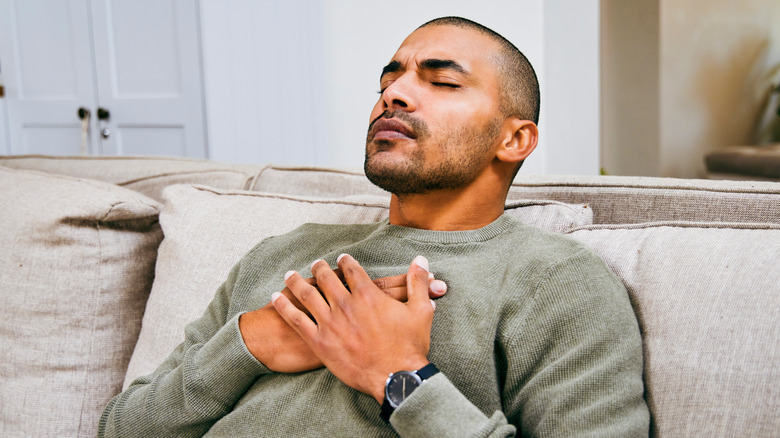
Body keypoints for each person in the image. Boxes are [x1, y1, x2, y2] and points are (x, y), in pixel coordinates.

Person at [99, 16, 649, 437]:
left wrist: (398, 376)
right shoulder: (284, 257)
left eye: (442, 83)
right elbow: (121, 428)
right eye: (390, 78)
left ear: (514, 140)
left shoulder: (556, 283)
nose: (394, 93)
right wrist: (249, 343)